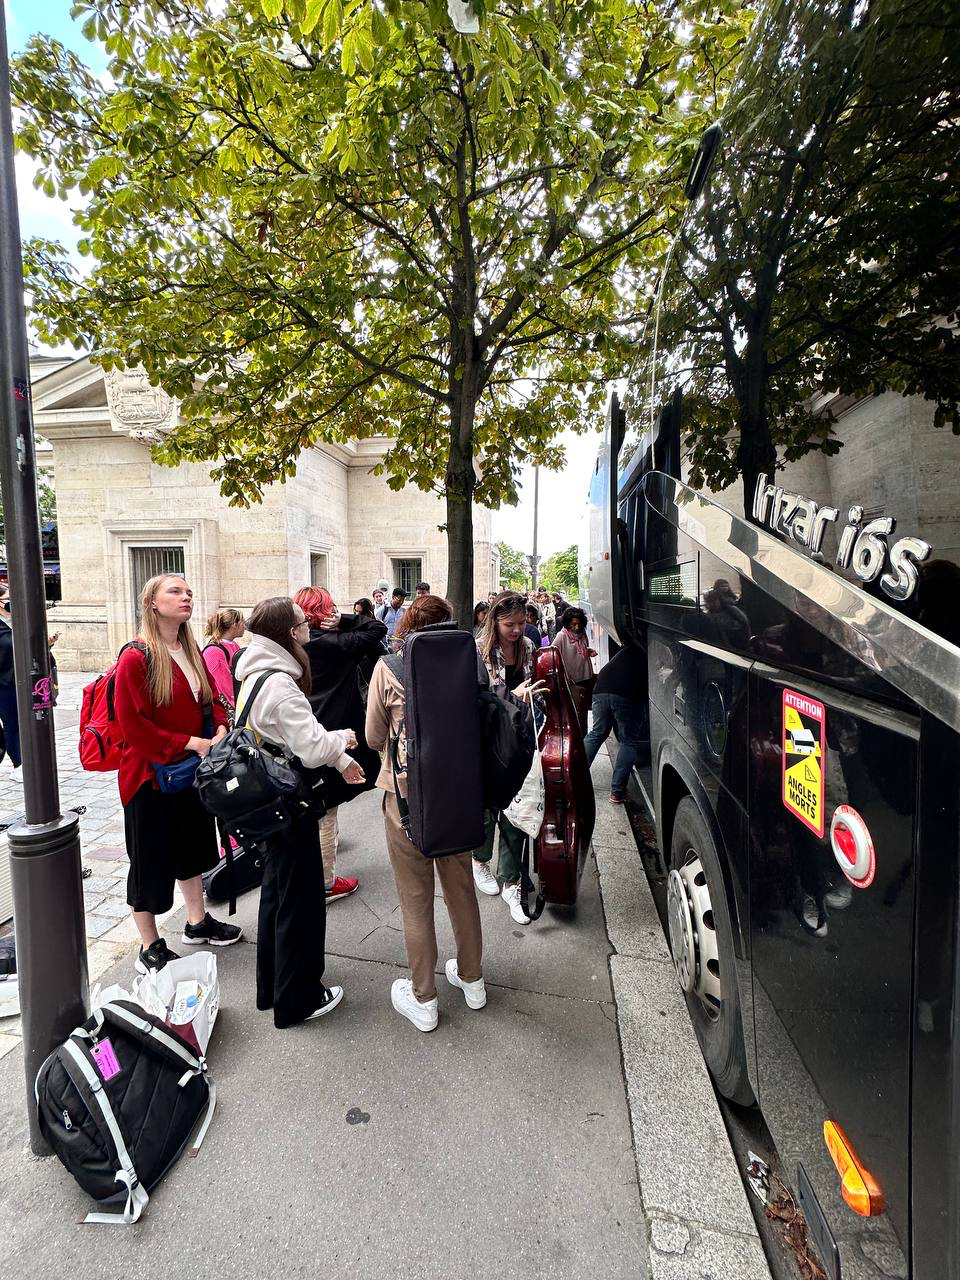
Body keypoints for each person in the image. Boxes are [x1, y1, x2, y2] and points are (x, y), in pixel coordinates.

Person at [234, 596, 365, 1028]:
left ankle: (272, 988)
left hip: (268, 801)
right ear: (290, 632)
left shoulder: (255, 672)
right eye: (302, 621)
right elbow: (309, 748)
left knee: (278, 893)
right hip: (289, 803)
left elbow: (287, 738)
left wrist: (337, 755)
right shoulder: (280, 683)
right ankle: (298, 999)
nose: (309, 625)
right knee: (301, 902)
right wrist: (342, 740)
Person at [365, 594, 485, 1032]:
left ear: (407, 625)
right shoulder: (470, 659)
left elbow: (373, 736)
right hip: (458, 794)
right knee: (462, 890)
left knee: (416, 900)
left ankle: (424, 998)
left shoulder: (389, 668)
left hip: (406, 799)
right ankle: (473, 981)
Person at [113, 574, 241, 975]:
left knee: (192, 850)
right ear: (152, 602)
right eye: (175, 591)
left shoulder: (191, 649)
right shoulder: (135, 657)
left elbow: (211, 699)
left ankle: (197, 922)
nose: (186, 596)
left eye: (189, 592)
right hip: (149, 778)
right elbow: (134, 727)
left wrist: (219, 728)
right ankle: (149, 946)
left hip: (191, 772)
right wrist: (192, 742)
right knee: (149, 862)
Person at [294, 586, 386, 903]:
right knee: (326, 809)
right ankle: (325, 883)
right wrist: (344, 620)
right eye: (330, 607)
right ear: (324, 613)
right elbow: (377, 628)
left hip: (303, 726)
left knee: (316, 801)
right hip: (333, 729)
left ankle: (320, 862)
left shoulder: (294, 644)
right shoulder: (336, 643)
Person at [472, 592, 545, 925]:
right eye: (509, 625)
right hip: (488, 738)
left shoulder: (528, 646)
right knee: (487, 807)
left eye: (521, 623)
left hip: (521, 733)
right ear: (494, 622)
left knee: (519, 806)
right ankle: (480, 860)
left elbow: (536, 687)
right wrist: (511, 696)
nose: (517, 630)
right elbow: (476, 698)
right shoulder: (478, 650)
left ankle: (512, 881)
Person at [582, 645, 650, 804]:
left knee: (597, 733)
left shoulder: (627, 649)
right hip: (626, 694)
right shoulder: (651, 653)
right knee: (629, 741)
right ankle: (617, 792)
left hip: (601, 689)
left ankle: (575, 777)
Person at [552, 606, 597, 731]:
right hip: (572, 681)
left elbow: (582, 650)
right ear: (567, 624)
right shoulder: (561, 636)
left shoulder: (582, 634)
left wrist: (588, 651)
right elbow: (553, 655)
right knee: (575, 714)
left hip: (586, 677)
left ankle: (583, 738)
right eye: (573, 624)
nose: (577, 627)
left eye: (579, 624)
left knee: (583, 712)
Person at [201, 607, 245, 717]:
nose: (245, 626)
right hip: (223, 710)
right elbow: (226, 686)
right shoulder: (213, 651)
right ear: (234, 625)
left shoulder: (234, 645)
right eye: (242, 623)